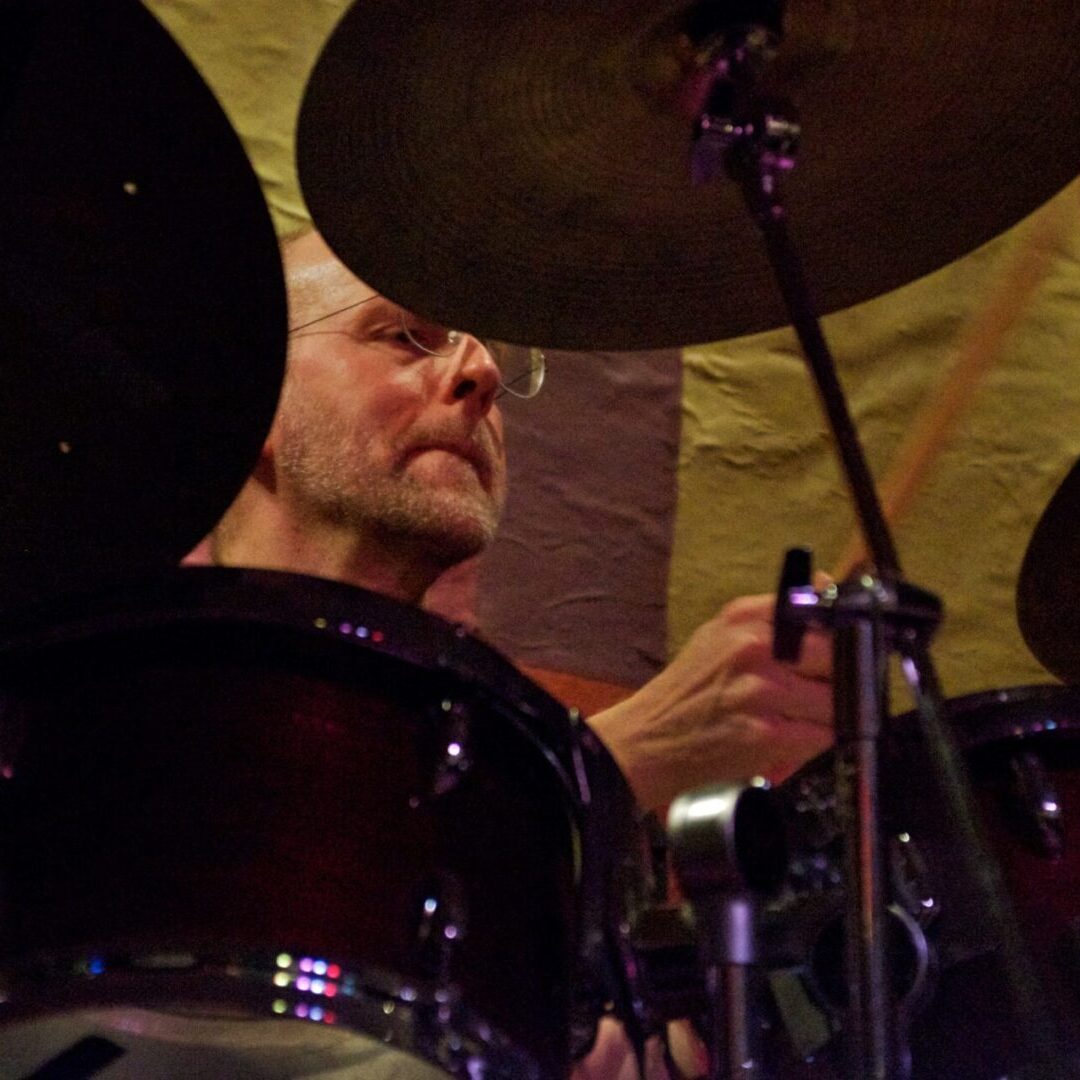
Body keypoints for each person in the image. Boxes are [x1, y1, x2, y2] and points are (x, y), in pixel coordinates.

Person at [201, 227, 834, 815]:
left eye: (486, 354)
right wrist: (607, 761)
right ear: (254, 400)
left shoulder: (477, 710)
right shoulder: (122, 680)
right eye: (402, 336)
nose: (484, 373)